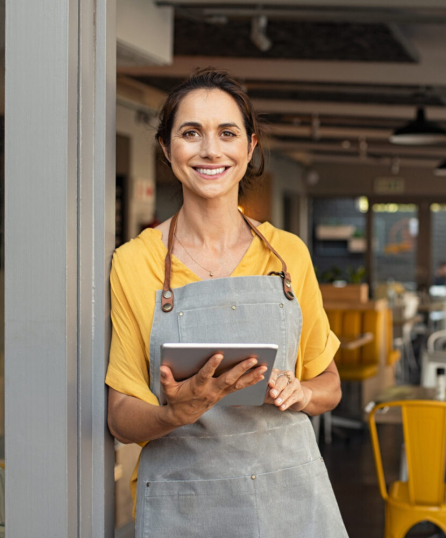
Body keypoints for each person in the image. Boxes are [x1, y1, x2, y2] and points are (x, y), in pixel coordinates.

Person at [105, 70, 347, 537]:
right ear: (165, 147)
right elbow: (120, 416)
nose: (210, 150)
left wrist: (304, 393)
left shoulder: (288, 254)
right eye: (190, 133)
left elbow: (330, 383)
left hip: (288, 497)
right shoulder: (135, 262)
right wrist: (174, 413)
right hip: (186, 504)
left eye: (227, 133)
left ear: (250, 147)